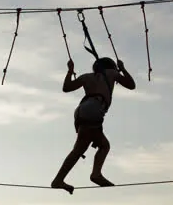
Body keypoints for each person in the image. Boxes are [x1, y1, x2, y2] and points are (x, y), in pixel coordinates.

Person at [51, 57, 136, 194]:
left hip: (81, 110)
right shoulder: (112, 73)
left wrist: (70, 71)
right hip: (94, 110)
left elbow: (66, 88)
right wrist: (123, 69)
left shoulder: (87, 77)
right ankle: (94, 175)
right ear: (111, 67)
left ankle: (60, 180)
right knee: (95, 147)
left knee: (91, 147)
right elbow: (131, 85)